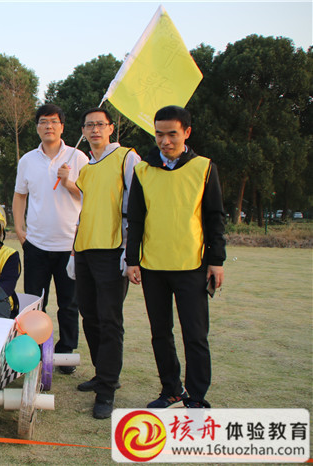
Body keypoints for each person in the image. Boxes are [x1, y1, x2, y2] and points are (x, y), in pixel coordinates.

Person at [125, 105, 226, 409]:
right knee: (160, 334)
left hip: (191, 266)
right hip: (152, 267)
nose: (165, 141)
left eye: (172, 134)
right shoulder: (143, 170)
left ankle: (196, 397)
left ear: (186, 133)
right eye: (159, 134)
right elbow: (136, 219)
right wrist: (132, 260)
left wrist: (216, 260)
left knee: (195, 335)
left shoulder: (204, 168)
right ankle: (171, 390)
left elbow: (215, 217)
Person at [66, 107, 141, 419]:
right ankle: (102, 373)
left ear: (111, 128)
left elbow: (136, 205)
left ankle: (107, 389)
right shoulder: (86, 168)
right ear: (83, 131)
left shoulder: (127, 158)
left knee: (110, 320)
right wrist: (74, 252)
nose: (95, 130)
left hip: (113, 249)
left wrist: (130, 250)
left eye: (100, 124)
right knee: (89, 316)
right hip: (85, 250)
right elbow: (84, 212)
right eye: (89, 125)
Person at [12, 104, 88, 373]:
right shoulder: (28, 160)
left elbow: (88, 196)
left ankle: (65, 354)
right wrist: (19, 229)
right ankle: (31, 352)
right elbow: (20, 195)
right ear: (37, 127)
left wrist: (68, 182)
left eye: (54, 121)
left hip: (69, 244)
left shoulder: (78, 158)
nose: (49, 126)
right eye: (43, 121)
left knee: (69, 304)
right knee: (34, 304)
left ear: (62, 127)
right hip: (36, 244)